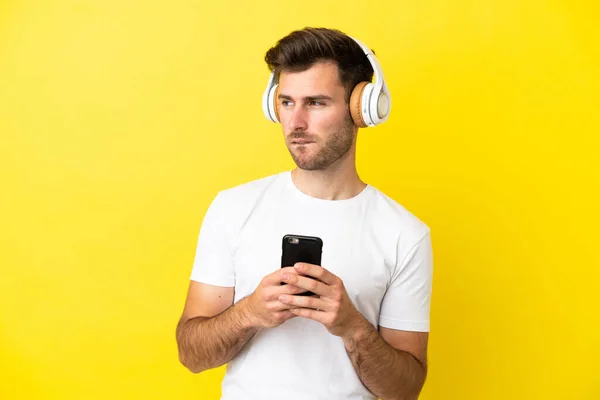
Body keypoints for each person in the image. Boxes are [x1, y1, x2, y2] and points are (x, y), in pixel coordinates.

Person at [175, 27, 434, 400]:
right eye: (286, 102)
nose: (295, 123)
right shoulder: (233, 208)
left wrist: (351, 325)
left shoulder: (404, 234)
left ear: (362, 107)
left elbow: (406, 389)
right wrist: (250, 312)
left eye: (315, 103)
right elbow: (191, 355)